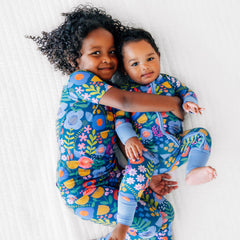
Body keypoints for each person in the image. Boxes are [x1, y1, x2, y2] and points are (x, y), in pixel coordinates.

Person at [27, 5, 183, 240]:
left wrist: (145, 177)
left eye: (112, 52)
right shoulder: (79, 81)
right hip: (80, 187)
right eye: (96, 53)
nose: (107, 60)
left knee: (165, 213)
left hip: (113, 176)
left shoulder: (111, 92)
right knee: (155, 222)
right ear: (74, 60)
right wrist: (171, 103)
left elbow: (124, 138)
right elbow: (127, 101)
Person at [113, 28, 217, 234]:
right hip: (147, 158)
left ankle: (193, 171)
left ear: (158, 56)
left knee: (201, 135)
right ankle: (123, 225)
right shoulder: (128, 94)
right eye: (135, 64)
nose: (145, 67)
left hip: (176, 150)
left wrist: (189, 103)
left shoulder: (170, 82)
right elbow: (120, 121)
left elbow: (186, 92)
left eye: (150, 58)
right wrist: (130, 138)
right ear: (124, 70)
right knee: (134, 183)